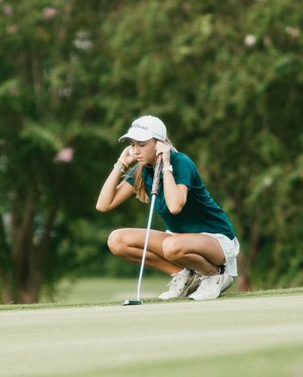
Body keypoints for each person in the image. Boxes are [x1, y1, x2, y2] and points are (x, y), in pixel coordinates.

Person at [96, 115, 240, 301]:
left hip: (217, 240)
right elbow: (103, 205)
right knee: (117, 240)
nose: (135, 150)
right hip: (179, 239)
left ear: (159, 143)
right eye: (132, 144)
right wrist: (121, 164)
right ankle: (185, 275)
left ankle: (216, 274)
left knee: (171, 246)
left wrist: (166, 164)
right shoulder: (143, 168)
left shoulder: (181, 163)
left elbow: (175, 206)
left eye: (141, 144)